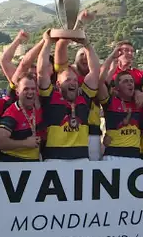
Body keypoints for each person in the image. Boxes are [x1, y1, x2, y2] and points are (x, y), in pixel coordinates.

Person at [36, 30, 100, 162]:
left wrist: (87, 44)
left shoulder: (83, 96)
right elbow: (41, 73)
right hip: (54, 159)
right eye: (68, 80)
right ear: (58, 83)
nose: (73, 83)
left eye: (75, 80)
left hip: (81, 158)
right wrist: (47, 43)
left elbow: (95, 71)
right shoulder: (50, 95)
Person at [0, 73, 45, 162]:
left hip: (34, 162)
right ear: (17, 92)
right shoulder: (12, 113)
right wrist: (25, 143)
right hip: (15, 163)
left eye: (33, 89)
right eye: (26, 89)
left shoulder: (36, 108)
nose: (30, 92)